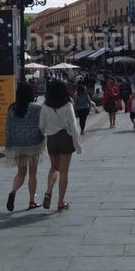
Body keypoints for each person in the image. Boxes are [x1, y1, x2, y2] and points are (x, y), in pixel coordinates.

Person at [39, 81, 82, 211]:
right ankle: (60, 202)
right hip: (65, 138)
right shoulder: (68, 105)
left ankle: (48, 190)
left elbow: (41, 126)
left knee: (53, 167)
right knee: (64, 171)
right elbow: (73, 126)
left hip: (51, 139)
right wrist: (78, 145)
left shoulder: (44, 106)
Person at [4, 84, 44, 212]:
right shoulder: (37, 108)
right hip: (33, 144)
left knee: (21, 173)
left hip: (18, 145)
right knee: (33, 173)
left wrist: (9, 144)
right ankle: (32, 201)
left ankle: (13, 191)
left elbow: (8, 128)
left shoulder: (12, 108)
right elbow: (42, 126)